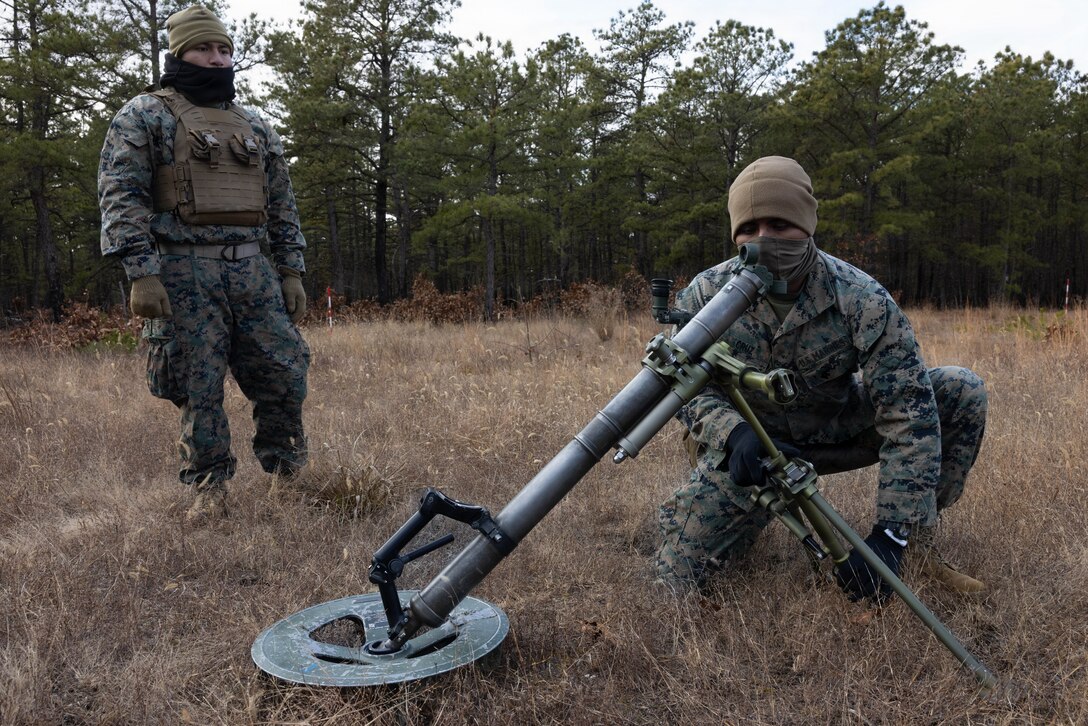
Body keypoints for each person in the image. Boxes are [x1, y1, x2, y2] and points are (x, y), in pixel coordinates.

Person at [655, 155, 988, 601]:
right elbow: (685, 387)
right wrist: (732, 434)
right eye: (749, 229)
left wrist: (891, 537)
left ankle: (916, 544)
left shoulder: (861, 297)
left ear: (807, 224)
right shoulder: (704, 294)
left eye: (780, 224)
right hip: (752, 449)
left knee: (958, 389)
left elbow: (907, 410)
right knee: (675, 585)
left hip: (835, 427)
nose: (764, 240)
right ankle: (735, 511)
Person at [99, 5, 310, 522]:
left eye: (224, 50)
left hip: (252, 270)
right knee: (197, 383)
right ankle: (209, 490)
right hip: (182, 271)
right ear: (179, 52)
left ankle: (289, 475)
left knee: (285, 372)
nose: (216, 59)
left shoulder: (254, 123)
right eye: (204, 49)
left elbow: (280, 200)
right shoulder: (144, 115)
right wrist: (141, 271)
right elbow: (121, 195)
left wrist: (291, 270)